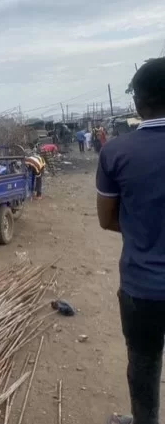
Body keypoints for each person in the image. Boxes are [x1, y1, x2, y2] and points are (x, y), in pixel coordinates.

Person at [96, 57, 165, 424]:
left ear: (138, 103)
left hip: (142, 288)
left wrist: (142, 224)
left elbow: (106, 219)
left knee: (143, 364)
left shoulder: (116, 152)